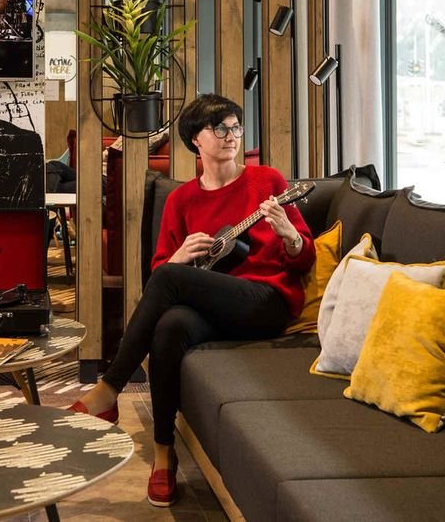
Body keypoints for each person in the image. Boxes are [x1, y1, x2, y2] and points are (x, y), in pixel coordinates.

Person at [68, 93, 315, 508]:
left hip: (264, 303)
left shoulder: (267, 183)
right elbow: (162, 270)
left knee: (169, 282)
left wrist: (289, 234)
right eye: (219, 128)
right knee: (170, 326)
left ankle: (110, 387)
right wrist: (180, 256)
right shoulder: (181, 199)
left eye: (235, 127)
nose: (231, 136)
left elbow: (304, 255)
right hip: (211, 310)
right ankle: (163, 455)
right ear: (195, 140)